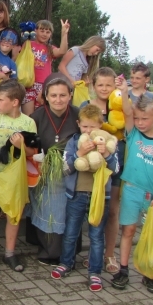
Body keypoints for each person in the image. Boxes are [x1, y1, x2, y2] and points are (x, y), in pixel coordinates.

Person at [111, 77, 153, 294]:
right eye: (138, 119)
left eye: (145, 119)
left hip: (152, 196)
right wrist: (124, 91)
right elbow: (127, 112)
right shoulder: (133, 134)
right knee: (128, 230)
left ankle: (150, 273)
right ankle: (123, 269)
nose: (140, 123)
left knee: (150, 234)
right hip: (130, 190)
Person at [50, 104, 119, 292]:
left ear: (101, 126)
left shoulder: (109, 141)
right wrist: (79, 154)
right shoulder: (73, 142)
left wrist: (106, 154)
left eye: (93, 127)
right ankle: (66, 263)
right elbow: (65, 169)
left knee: (96, 236)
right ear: (78, 124)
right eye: (85, 127)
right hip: (76, 195)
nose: (88, 131)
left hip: (99, 197)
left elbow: (116, 170)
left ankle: (95, 272)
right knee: (71, 232)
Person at [0, 80, 36, 275]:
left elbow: (33, 151)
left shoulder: (28, 122)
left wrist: (22, 146)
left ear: (15, 102)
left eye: (1, 99)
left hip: (16, 178)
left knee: (14, 215)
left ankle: (9, 253)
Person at [28, 73, 80, 265]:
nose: (58, 99)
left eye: (62, 95)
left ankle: (69, 252)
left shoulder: (77, 115)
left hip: (71, 173)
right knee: (46, 209)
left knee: (68, 212)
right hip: (44, 171)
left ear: (70, 95)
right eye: (54, 95)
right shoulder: (36, 117)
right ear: (46, 97)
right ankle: (47, 252)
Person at [81, 67, 124, 273]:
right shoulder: (86, 107)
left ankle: (109, 254)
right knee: (93, 209)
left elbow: (131, 129)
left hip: (115, 164)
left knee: (113, 210)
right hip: (91, 165)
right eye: (100, 84)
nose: (105, 88)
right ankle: (94, 253)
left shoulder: (121, 108)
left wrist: (124, 98)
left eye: (109, 84)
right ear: (93, 85)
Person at [18, 19, 69, 115]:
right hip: (28, 84)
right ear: (35, 31)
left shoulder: (50, 48)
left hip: (43, 85)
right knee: (29, 117)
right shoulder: (28, 44)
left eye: (48, 32)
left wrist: (64, 33)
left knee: (41, 114)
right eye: (42, 30)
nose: (44, 34)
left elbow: (62, 51)